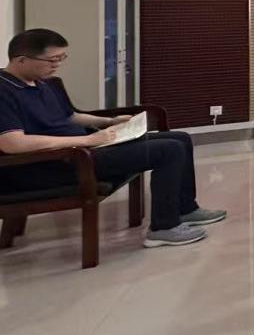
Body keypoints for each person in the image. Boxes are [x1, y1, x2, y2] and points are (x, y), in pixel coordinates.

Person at [0, 29, 227, 248]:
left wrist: (110, 122)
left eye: (61, 58)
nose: (57, 65)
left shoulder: (41, 82)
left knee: (180, 139)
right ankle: (163, 228)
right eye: (52, 60)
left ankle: (185, 208)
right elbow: (13, 144)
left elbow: (69, 116)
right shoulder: (4, 91)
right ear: (22, 60)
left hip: (83, 150)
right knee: (169, 150)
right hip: (57, 163)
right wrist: (87, 141)